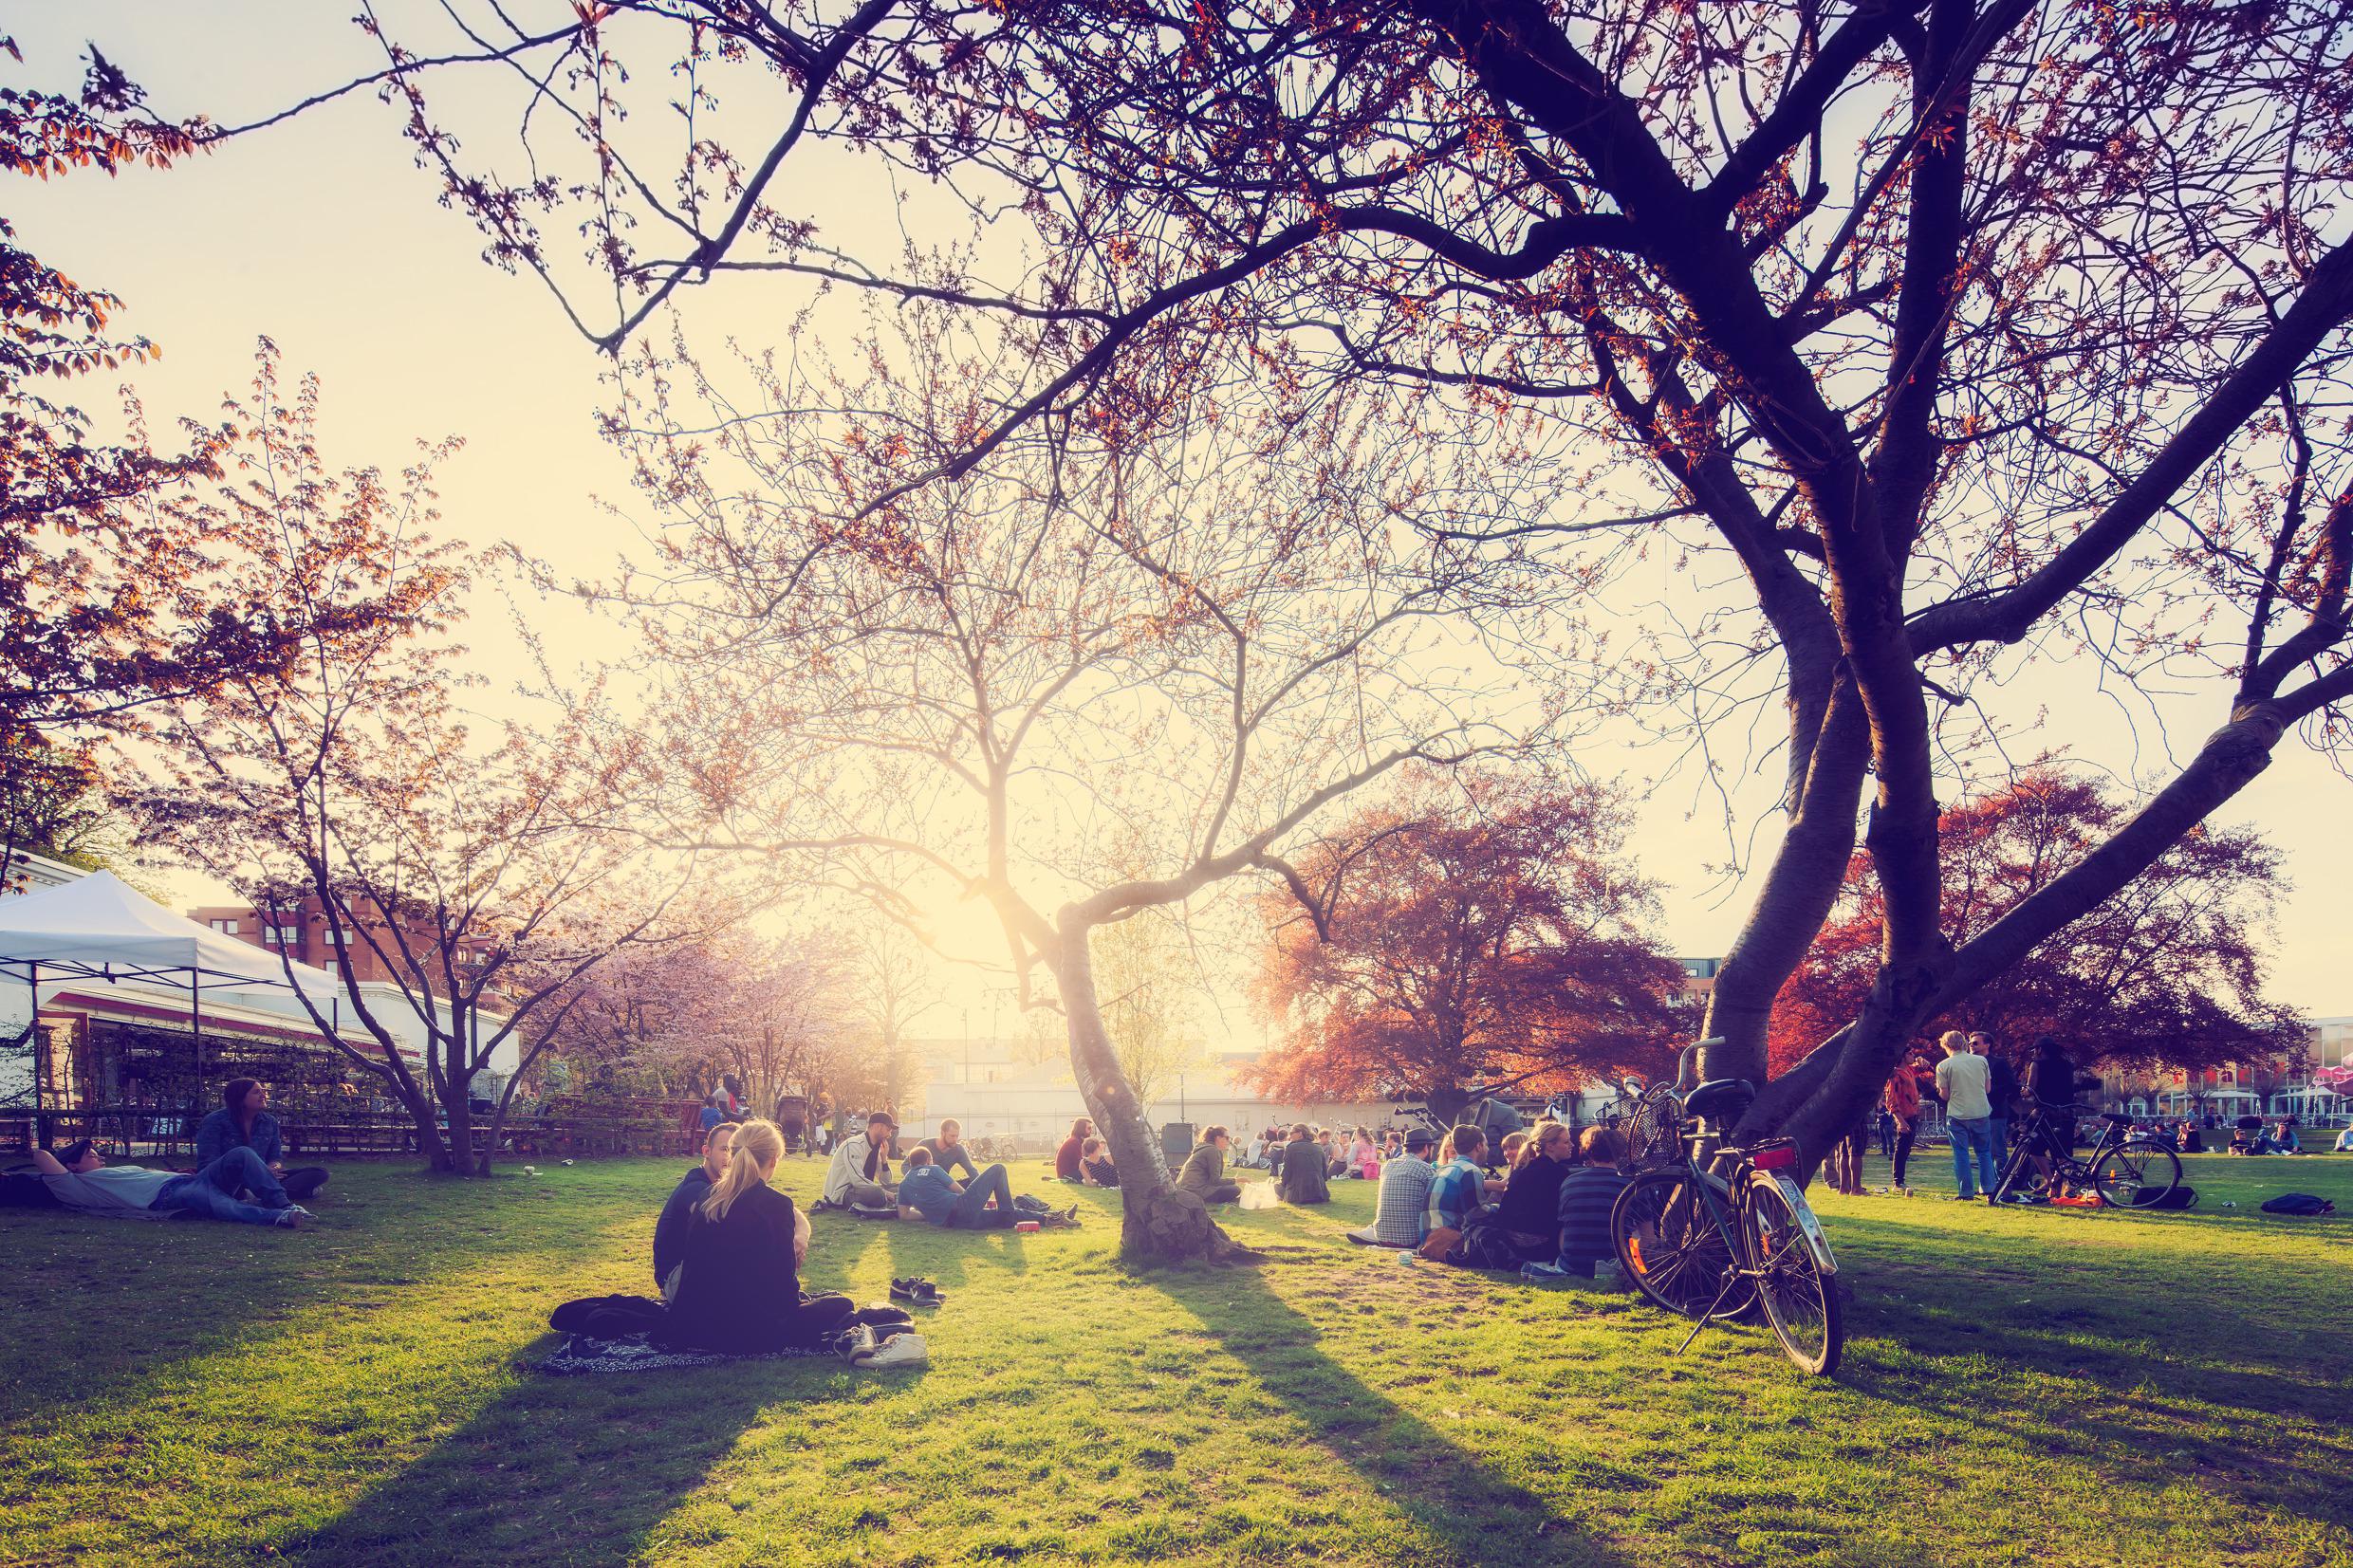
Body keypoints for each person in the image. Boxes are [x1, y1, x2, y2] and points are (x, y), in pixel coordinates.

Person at [658, 1118, 857, 1353]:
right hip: (753, 1330)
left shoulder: (708, 1197)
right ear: (773, 1160)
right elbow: (784, 1291)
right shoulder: (776, 1205)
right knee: (842, 1305)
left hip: (696, 1323)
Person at [30, 1139, 311, 1228]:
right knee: (222, 1205)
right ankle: (280, 1217)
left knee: (242, 1154)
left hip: (187, 1180)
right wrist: (68, 1158)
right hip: (168, 1196)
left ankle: (284, 1203)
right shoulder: (76, 1186)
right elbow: (41, 1155)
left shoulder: (114, 1172)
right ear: (72, 1166)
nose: (99, 1158)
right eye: (91, 1156)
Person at [193, 1079, 330, 1205]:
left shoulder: (269, 1122)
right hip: (230, 1179)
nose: (263, 1095)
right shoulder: (215, 1121)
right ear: (240, 1098)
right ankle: (285, 1192)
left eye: (263, 1091)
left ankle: (257, 1194)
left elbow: (275, 1157)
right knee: (314, 1189)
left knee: (319, 1173)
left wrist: (271, 1169)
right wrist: (251, 1174)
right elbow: (208, 1162)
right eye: (256, 1092)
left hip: (266, 1177)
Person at [898, 1146, 1077, 1229]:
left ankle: (1053, 1218)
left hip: (955, 1224)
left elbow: (904, 1215)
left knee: (1004, 1214)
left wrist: (929, 1213)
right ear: (928, 1160)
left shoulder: (904, 1183)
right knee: (998, 1169)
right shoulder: (933, 1169)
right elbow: (958, 1190)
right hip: (962, 1208)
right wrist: (977, 1200)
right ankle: (1010, 1215)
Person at [655, 1120, 735, 1296]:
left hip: (698, 1269)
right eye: (725, 1149)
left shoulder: (729, 1188)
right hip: (675, 1277)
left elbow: (779, 1206)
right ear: (706, 1151)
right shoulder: (694, 1186)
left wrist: (801, 1233)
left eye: (737, 1151)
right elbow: (711, 1217)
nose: (731, 1157)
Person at [1554, 1126, 1632, 1279]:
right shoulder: (1630, 1184)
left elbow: (1565, 1228)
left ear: (1587, 1151)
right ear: (1621, 1151)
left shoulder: (1570, 1182)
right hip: (1615, 1262)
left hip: (1571, 1264)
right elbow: (1647, 1236)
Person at [1491, 1121, 1575, 1261]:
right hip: (1538, 1246)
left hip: (1509, 1241)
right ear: (1550, 1146)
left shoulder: (1522, 1169)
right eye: (1566, 1142)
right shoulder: (1558, 1173)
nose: (1572, 1145)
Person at [1935, 1029, 1997, 1201]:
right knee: (1984, 1152)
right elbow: (1987, 1089)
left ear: (1946, 1045)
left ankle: (1966, 1191)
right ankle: (1988, 1187)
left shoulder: (1943, 1065)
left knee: (1960, 1153)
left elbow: (1945, 1096)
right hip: (1981, 1111)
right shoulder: (1981, 1061)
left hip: (1957, 1113)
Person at [1353, 1128, 1438, 1246]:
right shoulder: (1426, 1169)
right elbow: (1437, 1205)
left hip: (1382, 1236)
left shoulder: (1387, 1165)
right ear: (1426, 1148)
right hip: (1412, 1240)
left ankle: (1372, 1229)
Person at [822, 1110, 901, 1210]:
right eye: (888, 1129)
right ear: (878, 1127)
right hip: (843, 1192)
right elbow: (857, 1180)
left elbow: (886, 1181)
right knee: (877, 1193)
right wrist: (887, 1193)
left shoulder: (875, 1148)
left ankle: (888, 1201)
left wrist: (884, 1159)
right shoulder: (854, 1145)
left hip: (862, 1189)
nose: (890, 1134)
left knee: (901, 1188)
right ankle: (889, 1201)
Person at [1428, 1124, 1490, 1232]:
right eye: (1486, 1144)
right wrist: (1499, 1208)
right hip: (1449, 1243)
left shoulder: (1443, 1169)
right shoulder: (1469, 1169)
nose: (1487, 1149)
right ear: (1479, 1146)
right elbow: (1476, 1213)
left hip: (1430, 1240)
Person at [1884, 1054, 1927, 1191]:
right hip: (1904, 1116)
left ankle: (1900, 1181)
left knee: (1906, 1149)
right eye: (1910, 1053)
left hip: (1913, 1114)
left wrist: (1923, 1062)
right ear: (1902, 1056)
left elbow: (1924, 1070)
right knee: (1901, 1149)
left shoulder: (1908, 1070)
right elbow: (1891, 1100)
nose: (1913, 1056)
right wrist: (1900, 1121)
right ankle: (1897, 1182)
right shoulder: (1895, 1075)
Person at [1178, 1125, 1243, 1206]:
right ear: (1218, 1138)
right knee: (1235, 1189)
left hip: (1185, 1190)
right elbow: (1215, 1181)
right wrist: (1236, 1180)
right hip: (1195, 1192)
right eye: (1227, 1138)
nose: (1229, 1141)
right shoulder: (1213, 1150)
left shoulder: (1204, 1148)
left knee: (1229, 1187)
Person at [1274, 1122, 1331, 1205]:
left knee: (1275, 1186)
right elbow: (1325, 1176)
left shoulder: (1291, 1148)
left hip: (1298, 1195)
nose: (1289, 1136)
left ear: (1300, 1133)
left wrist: (1281, 1184)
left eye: (1291, 1133)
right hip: (1319, 1194)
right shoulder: (1319, 1148)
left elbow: (1286, 1174)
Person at [906, 1118, 980, 1181]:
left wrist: (981, 1184)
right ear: (942, 1133)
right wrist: (918, 1179)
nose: (955, 1139)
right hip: (923, 1183)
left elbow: (971, 1170)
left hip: (943, 1185)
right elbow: (905, 1165)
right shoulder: (925, 1144)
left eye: (957, 1136)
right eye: (952, 1136)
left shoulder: (958, 1149)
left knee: (973, 1182)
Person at [1055, 1117, 1094, 1182]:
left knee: (1096, 1172)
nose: (1091, 1131)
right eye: (1089, 1128)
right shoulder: (1074, 1142)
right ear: (1081, 1129)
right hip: (1068, 1175)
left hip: (1068, 1173)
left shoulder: (1075, 1140)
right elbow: (1081, 1163)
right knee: (1097, 1174)